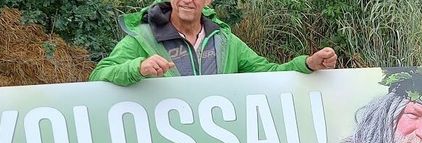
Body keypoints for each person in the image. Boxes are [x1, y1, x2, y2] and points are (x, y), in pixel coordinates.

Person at [89, 0, 337, 85]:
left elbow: (270, 72)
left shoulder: (225, 41)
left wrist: (307, 63)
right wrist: (138, 68)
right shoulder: (143, 38)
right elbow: (98, 76)